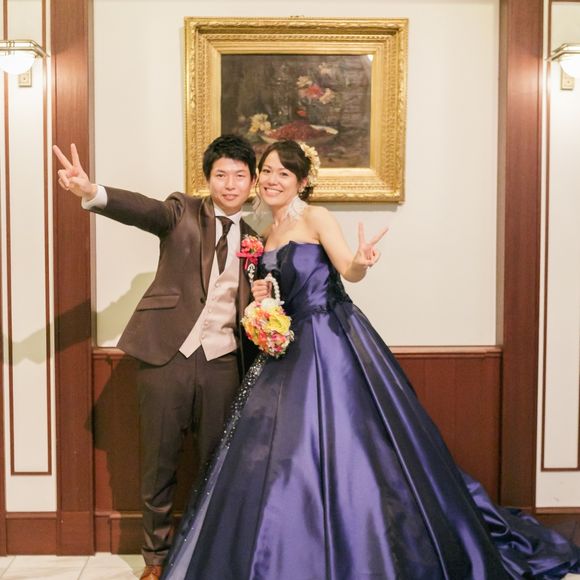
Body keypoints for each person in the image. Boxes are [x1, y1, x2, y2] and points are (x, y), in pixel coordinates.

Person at [161, 139, 580, 580]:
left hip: (329, 339)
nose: (272, 180)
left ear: (302, 181)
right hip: (287, 347)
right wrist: (264, 294)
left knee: (351, 445)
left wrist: (361, 261)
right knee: (280, 452)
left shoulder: (317, 218)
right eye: (266, 171)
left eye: (284, 173)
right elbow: (282, 292)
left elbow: (347, 269)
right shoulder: (265, 231)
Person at [53, 135, 259, 580]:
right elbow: (142, 210)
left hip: (224, 362)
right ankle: (155, 560)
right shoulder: (182, 211)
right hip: (167, 356)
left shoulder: (257, 241)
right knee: (159, 462)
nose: (230, 184)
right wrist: (92, 191)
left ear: (252, 182)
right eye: (221, 175)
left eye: (239, 176)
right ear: (208, 179)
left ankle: (206, 553)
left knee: (216, 465)